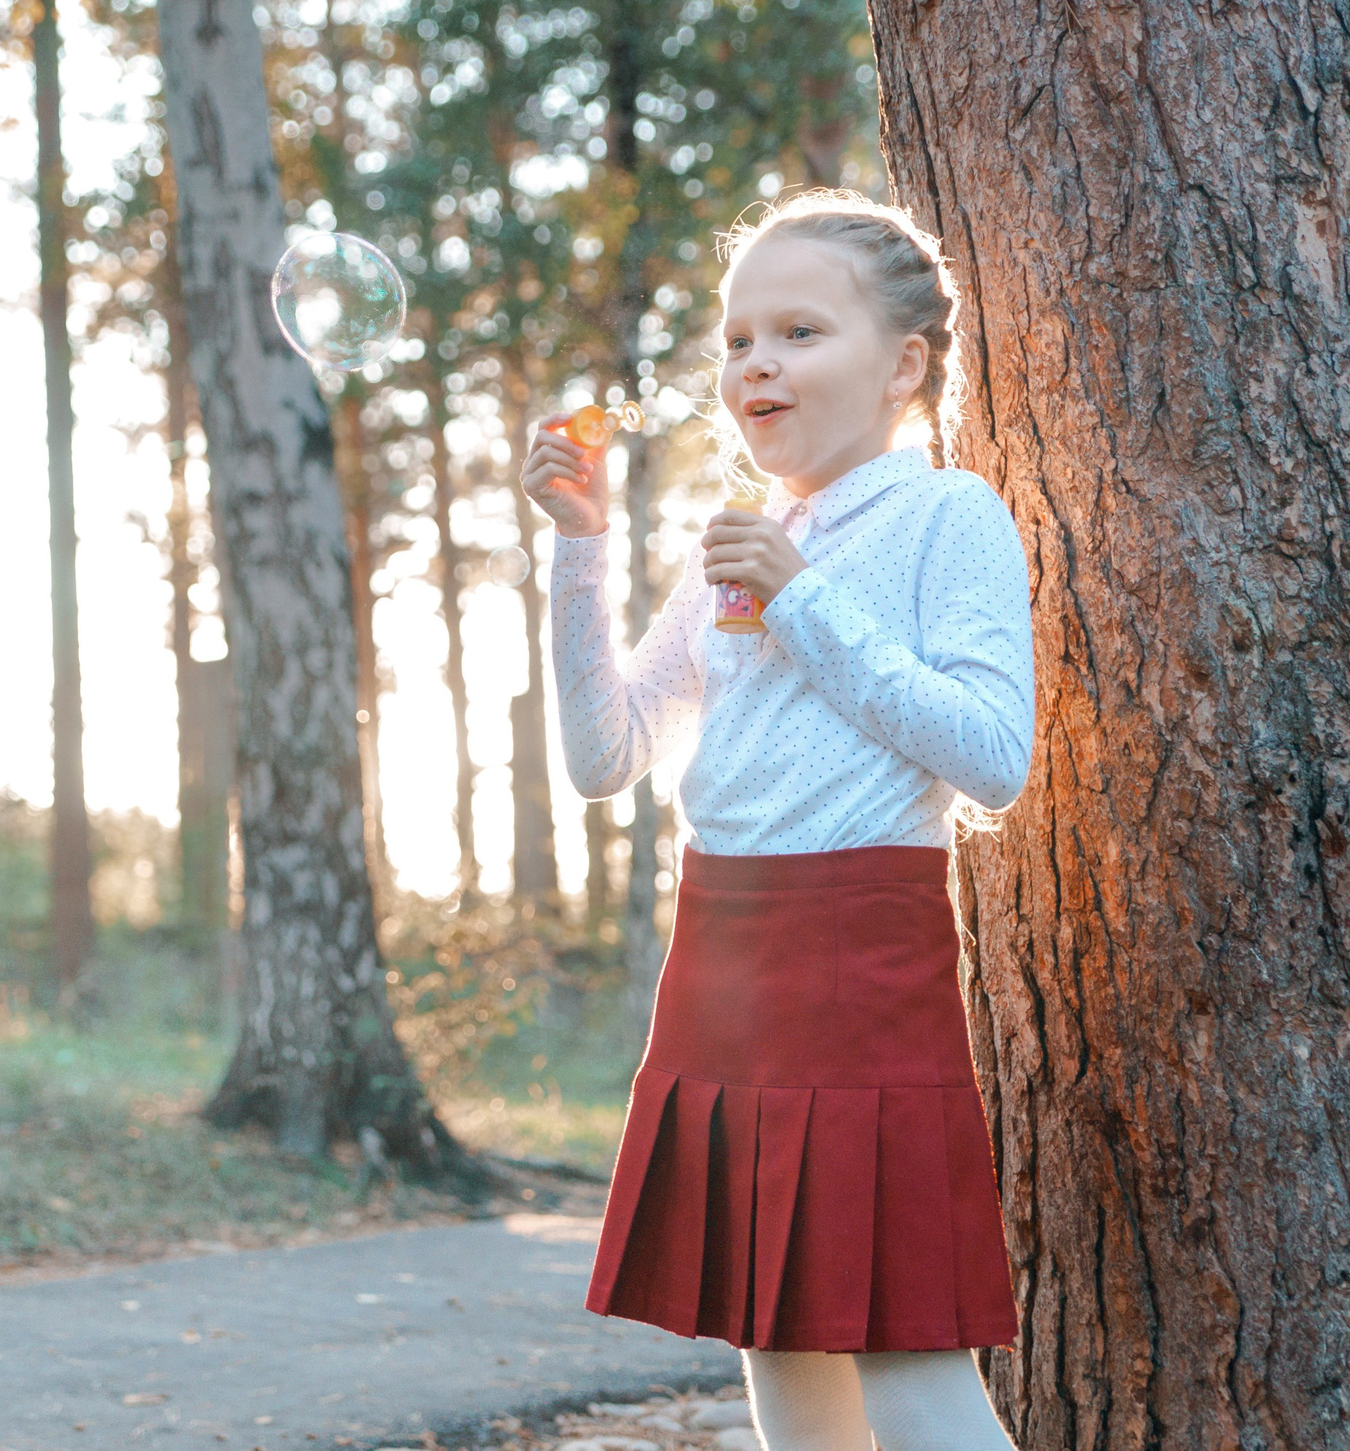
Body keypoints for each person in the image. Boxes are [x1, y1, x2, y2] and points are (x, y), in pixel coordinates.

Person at [519, 189, 1033, 1451]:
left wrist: (801, 599)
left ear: (902, 366)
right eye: (739, 338)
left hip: (860, 951)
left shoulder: (947, 514)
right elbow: (604, 755)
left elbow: (992, 756)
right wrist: (580, 547)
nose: (756, 360)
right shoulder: (743, 546)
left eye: (799, 331)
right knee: (778, 1335)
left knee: (903, 1352)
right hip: (721, 954)